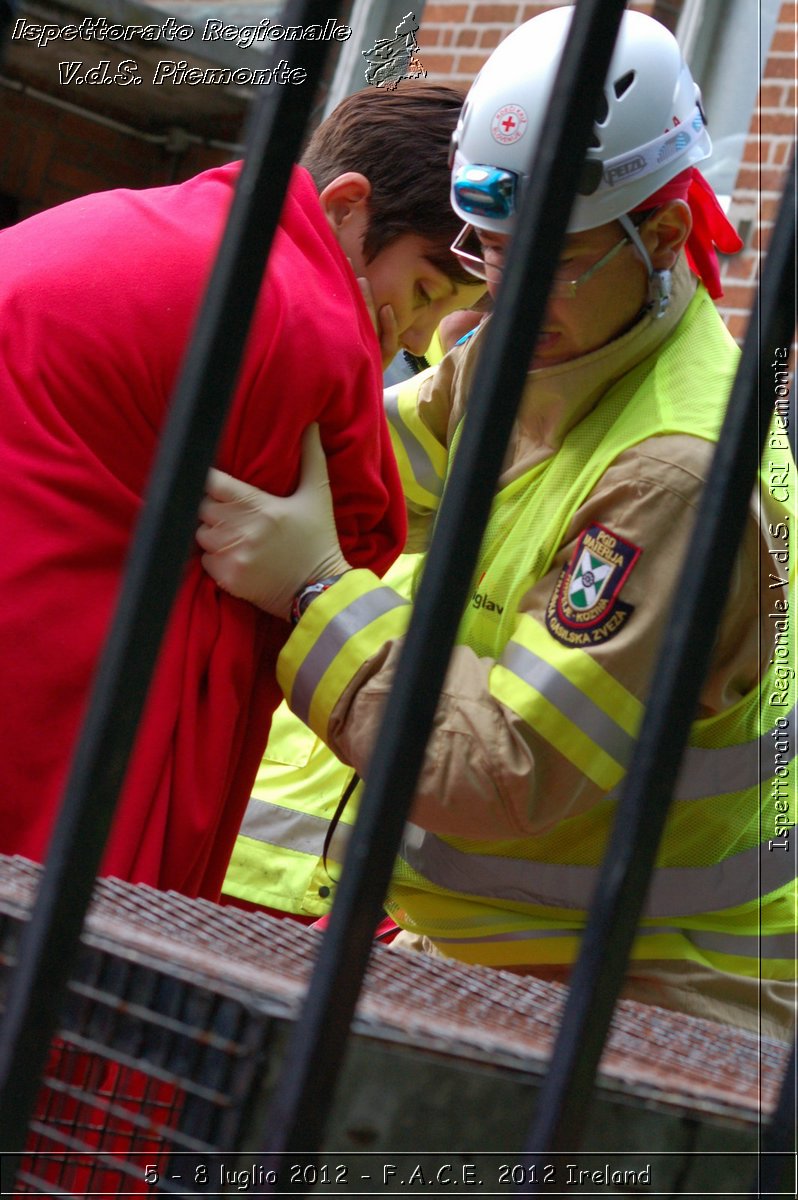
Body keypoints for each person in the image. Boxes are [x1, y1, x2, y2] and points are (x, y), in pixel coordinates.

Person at [197, 10, 795, 1039]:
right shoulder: (536, 353)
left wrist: (311, 591)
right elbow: (363, 475)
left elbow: (497, 774)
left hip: (662, 1001)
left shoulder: (675, 470)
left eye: (549, 260)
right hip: (509, 953)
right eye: (489, 249)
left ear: (660, 236)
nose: (503, 294)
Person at [0, 83, 485, 902]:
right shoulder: (302, 317)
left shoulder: (138, 215)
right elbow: (365, 525)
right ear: (346, 205)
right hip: (56, 753)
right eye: (430, 292)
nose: (411, 340)